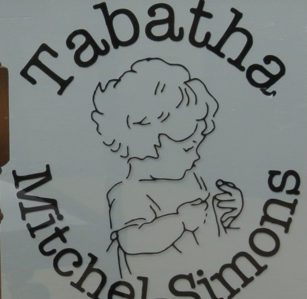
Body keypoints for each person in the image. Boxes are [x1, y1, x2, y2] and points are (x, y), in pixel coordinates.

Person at [91, 58, 243, 278]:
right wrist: (180, 221)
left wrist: (227, 210)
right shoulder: (130, 193)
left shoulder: (192, 180)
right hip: (154, 286)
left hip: (207, 281)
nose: (196, 155)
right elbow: (133, 241)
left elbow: (207, 228)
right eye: (188, 147)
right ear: (146, 143)